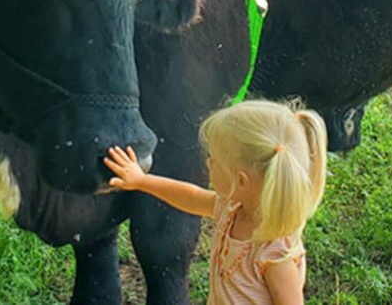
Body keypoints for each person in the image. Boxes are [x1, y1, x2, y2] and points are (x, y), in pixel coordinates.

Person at [104, 100, 327, 304]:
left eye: (215, 159)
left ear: (241, 181)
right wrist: (142, 181)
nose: (208, 162)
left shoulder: (275, 253)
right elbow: (192, 197)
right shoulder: (233, 208)